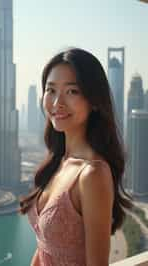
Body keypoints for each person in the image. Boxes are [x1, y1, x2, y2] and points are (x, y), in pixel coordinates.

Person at [17, 47, 133, 266]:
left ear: (94, 101)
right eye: (51, 90)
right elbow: (44, 248)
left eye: (72, 91)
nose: (57, 102)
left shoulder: (93, 174)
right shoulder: (59, 161)